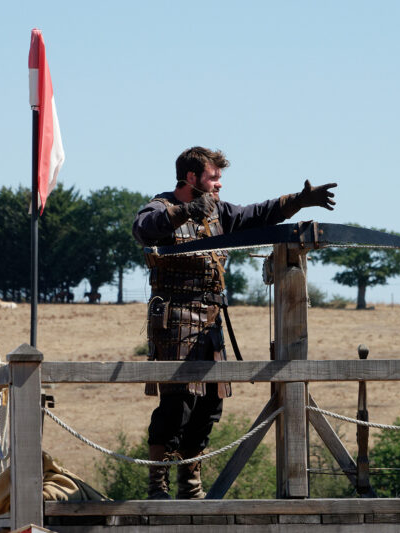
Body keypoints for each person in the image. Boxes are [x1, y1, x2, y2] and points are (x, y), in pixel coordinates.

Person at [132, 146, 336, 499]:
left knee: (210, 405)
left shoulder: (219, 212)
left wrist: (300, 201)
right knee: (178, 404)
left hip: (211, 323)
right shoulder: (160, 207)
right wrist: (186, 211)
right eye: (213, 178)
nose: (219, 184)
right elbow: (144, 230)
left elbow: (259, 214)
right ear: (191, 178)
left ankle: (190, 486)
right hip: (176, 321)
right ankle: (157, 486)